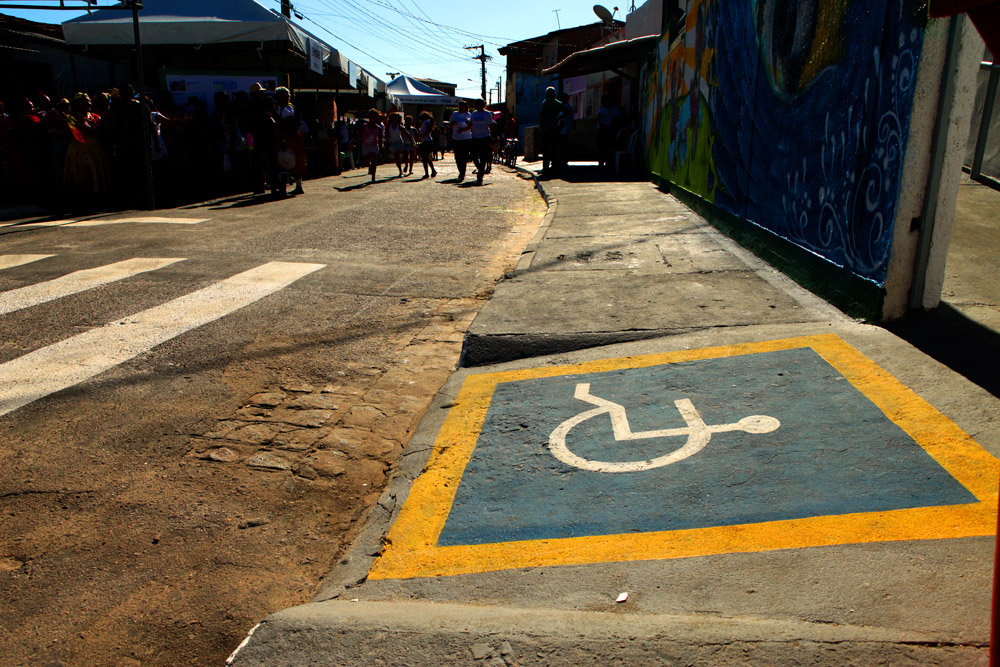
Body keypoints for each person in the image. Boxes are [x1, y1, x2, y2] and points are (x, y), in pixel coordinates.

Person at [275, 86, 306, 196]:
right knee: (294, 160)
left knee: (285, 158)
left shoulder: (286, 110)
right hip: (293, 136)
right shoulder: (288, 107)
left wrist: (284, 140)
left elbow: (287, 126)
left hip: (290, 137)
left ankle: (283, 188)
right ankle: (298, 186)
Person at [468, 98, 495, 186]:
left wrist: (493, 137)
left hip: (484, 137)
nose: (475, 106)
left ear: (482, 105)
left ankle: (480, 177)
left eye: (477, 104)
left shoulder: (487, 114)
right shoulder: (473, 113)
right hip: (475, 137)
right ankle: (480, 169)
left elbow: (491, 126)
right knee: (473, 156)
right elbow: (471, 124)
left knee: (483, 158)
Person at [538, 86, 562, 177]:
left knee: (546, 149)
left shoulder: (545, 103)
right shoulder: (558, 103)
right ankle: (555, 166)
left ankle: (546, 167)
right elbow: (567, 111)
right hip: (555, 129)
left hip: (546, 129)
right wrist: (558, 118)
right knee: (555, 148)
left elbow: (542, 115)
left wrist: (541, 126)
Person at [358, 108, 384, 183]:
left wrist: (381, 146)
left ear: (376, 118)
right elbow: (360, 135)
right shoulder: (364, 126)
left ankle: (373, 177)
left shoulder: (378, 128)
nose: (372, 118)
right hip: (365, 145)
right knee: (366, 162)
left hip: (374, 145)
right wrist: (356, 142)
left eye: (374, 116)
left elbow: (380, 139)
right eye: (370, 116)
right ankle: (370, 167)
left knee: (374, 161)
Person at [449, 101, 473, 181]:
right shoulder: (455, 114)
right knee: (457, 157)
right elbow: (450, 125)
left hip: (466, 138)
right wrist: (453, 123)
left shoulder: (468, 115)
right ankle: (460, 171)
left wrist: (463, 129)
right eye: (460, 106)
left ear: (466, 107)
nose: (461, 108)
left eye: (463, 106)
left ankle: (462, 173)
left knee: (464, 156)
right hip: (456, 138)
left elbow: (471, 126)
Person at [597, 94, 621, 169]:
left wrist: (601, 124)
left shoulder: (603, 109)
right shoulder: (613, 110)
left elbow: (599, 117)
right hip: (610, 129)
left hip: (603, 129)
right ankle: (608, 163)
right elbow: (619, 117)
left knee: (601, 147)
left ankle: (601, 163)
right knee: (608, 146)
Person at [385, 112, 410, 177]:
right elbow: (386, 133)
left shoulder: (399, 126)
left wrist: (412, 142)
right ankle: (400, 168)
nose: (394, 119)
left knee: (397, 154)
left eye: (396, 118)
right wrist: (387, 138)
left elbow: (407, 133)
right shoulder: (389, 126)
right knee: (395, 158)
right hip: (392, 142)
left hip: (399, 141)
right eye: (393, 118)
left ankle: (400, 171)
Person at [416, 111, 437, 179]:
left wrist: (423, 135)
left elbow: (429, 130)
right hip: (426, 141)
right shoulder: (424, 123)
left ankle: (429, 172)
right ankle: (430, 171)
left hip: (427, 141)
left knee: (425, 157)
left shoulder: (426, 122)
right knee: (425, 157)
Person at [557, 91, 574, 171]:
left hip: (563, 131)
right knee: (564, 147)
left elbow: (562, 119)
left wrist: (558, 119)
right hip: (567, 130)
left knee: (562, 147)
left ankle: (562, 162)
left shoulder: (565, 107)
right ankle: (564, 161)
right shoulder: (569, 107)